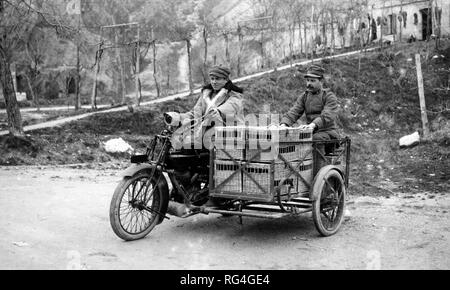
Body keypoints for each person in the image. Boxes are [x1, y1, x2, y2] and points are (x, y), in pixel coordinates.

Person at [164, 65, 244, 150]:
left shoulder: (234, 95)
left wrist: (217, 111)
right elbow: (195, 113)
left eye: (218, 79)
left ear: (226, 80)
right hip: (207, 133)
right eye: (212, 79)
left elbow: (230, 107)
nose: (214, 82)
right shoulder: (206, 94)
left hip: (229, 135)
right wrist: (178, 117)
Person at [280, 64, 340, 158]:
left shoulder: (329, 96)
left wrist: (312, 125)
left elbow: (327, 115)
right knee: (294, 137)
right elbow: (294, 111)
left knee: (314, 138)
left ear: (321, 81)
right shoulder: (304, 96)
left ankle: (316, 167)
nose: (309, 84)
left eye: (312, 81)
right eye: (307, 80)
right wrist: (284, 124)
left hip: (329, 133)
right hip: (312, 132)